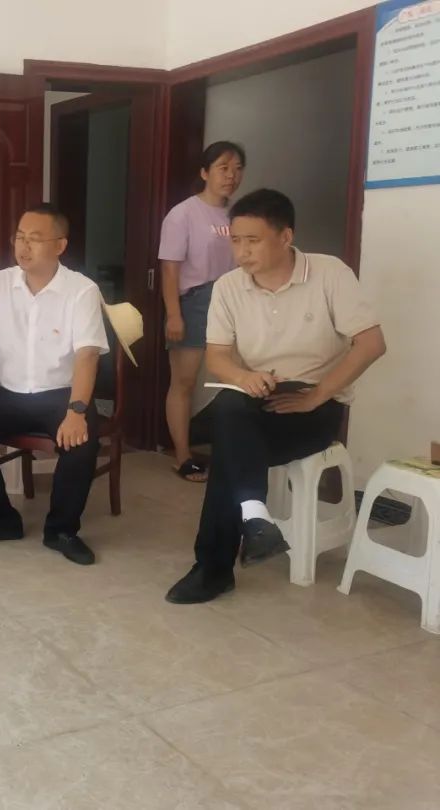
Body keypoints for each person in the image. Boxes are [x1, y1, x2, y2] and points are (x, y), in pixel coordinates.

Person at [166, 189, 386, 604]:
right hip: (255, 394)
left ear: (285, 237)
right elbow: (217, 356)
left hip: (314, 403)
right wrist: (243, 376)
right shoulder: (229, 286)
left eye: (253, 241)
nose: (242, 252)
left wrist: (318, 395)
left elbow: (372, 344)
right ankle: (254, 518)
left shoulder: (329, 273)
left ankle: (214, 568)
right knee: (230, 408)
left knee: (229, 451)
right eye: (235, 240)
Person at [0, 203, 109, 565]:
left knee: (81, 443)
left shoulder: (81, 290)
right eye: (20, 237)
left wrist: (76, 411)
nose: (24, 246)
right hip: (8, 395)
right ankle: (2, 520)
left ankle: (62, 531)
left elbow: (87, 356)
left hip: (61, 395)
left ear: (60, 245)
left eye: (35, 239)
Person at [159, 141, 246, 483]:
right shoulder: (183, 214)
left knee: (236, 379)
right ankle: (183, 457)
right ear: (204, 172)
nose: (231, 176)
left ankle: (231, 453)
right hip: (195, 301)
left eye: (237, 169)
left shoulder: (239, 216)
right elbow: (170, 268)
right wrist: (173, 314)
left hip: (234, 300)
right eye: (223, 168)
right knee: (184, 381)